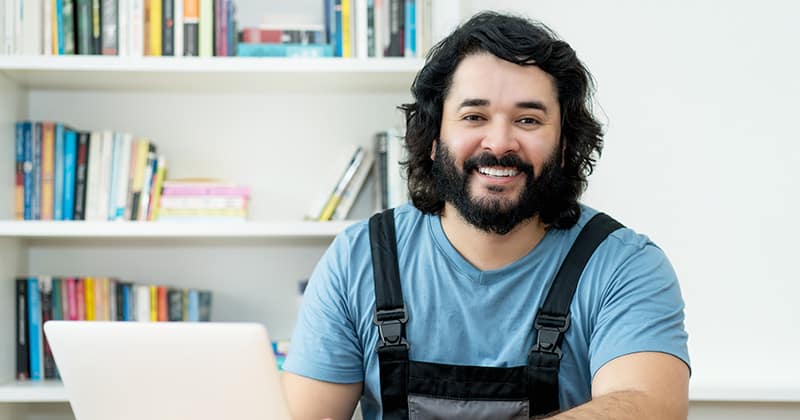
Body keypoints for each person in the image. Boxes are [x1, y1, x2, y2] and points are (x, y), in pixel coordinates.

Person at [282, 11, 690, 420]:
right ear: (432, 136)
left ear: (565, 145)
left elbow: (649, 405)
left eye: (528, 120)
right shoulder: (359, 260)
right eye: (474, 116)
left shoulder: (625, 265)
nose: (499, 143)